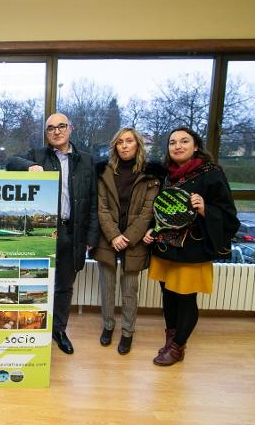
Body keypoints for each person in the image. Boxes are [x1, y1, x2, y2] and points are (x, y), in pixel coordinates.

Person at [143, 126, 239, 366]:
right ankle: (171, 338)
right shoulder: (166, 175)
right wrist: (150, 229)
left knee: (185, 298)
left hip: (192, 249)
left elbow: (229, 215)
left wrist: (206, 208)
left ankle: (178, 347)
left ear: (195, 146)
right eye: (173, 142)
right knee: (168, 295)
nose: (178, 146)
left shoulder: (211, 173)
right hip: (166, 247)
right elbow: (163, 210)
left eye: (184, 141)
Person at [6, 112, 99, 355]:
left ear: (71, 128)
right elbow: (10, 162)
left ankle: (58, 330)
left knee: (64, 285)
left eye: (61, 127)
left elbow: (93, 202)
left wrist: (91, 238)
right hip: (42, 232)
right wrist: (30, 166)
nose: (56, 132)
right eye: (50, 128)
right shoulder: (37, 155)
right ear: (46, 133)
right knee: (34, 280)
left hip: (73, 231)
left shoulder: (87, 161)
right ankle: (33, 327)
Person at [92, 128, 161, 355]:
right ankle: (108, 327)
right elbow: (101, 207)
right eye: (120, 142)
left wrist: (129, 237)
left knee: (130, 290)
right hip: (108, 239)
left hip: (136, 240)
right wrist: (113, 235)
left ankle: (128, 332)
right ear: (115, 146)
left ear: (137, 145)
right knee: (107, 287)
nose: (124, 145)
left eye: (129, 141)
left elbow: (147, 211)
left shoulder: (151, 175)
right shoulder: (104, 172)